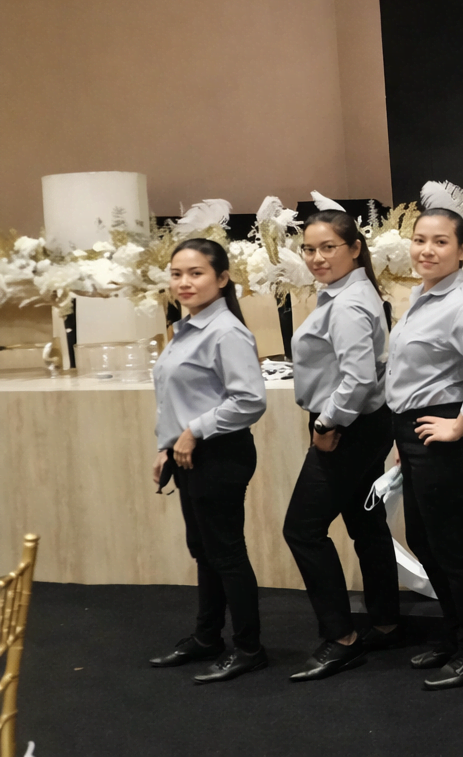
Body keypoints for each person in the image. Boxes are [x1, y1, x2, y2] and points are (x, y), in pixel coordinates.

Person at [386, 201, 463, 690]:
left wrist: (462, 424)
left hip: (448, 439)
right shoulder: (422, 296)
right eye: (420, 240)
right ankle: (457, 636)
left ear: (462, 251)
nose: (427, 250)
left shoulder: (462, 304)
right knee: (425, 541)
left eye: (441, 242)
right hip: (417, 433)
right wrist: (404, 435)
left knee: (454, 548)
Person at [283, 206, 401, 682]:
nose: (316, 257)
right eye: (309, 249)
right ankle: (386, 621)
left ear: (354, 248)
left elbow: (357, 379)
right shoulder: (350, 291)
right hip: (366, 424)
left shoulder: (348, 303)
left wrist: (327, 423)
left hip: (346, 426)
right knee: (366, 525)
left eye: (328, 247)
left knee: (302, 529)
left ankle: (341, 637)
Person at [148, 238, 268, 683]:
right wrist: (168, 446)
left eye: (196, 273)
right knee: (204, 551)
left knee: (226, 553)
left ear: (222, 278)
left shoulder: (225, 331)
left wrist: (193, 431)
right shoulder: (187, 327)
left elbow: (250, 401)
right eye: (177, 273)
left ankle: (249, 648)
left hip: (219, 453)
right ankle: (207, 636)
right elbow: (178, 397)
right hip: (189, 454)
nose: (184, 282)